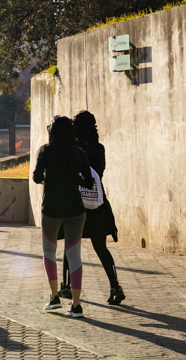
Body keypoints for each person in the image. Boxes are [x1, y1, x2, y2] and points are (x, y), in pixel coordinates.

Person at [58, 110, 125, 306]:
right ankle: (115, 286)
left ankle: (67, 286)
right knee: (101, 247)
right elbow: (99, 173)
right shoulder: (99, 149)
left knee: (70, 246)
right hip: (97, 204)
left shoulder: (74, 149)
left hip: (77, 204)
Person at [32, 115, 94, 318]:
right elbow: (88, 182)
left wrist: (48, 179)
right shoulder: (79, 153)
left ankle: (54, 297)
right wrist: (73, 177)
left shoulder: (46, 151)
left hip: (51, 209)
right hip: (76, 210)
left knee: (49, 251)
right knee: (74, 255)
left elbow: (36, 177)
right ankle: (76, 305)